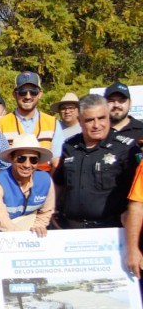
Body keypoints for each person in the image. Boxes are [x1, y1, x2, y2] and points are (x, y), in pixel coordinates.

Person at [52, 94, 139, 230]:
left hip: (111, 230)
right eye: (90, 120)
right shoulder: (69, 146)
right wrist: (52, 210)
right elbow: (58, 183)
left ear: (108, 117)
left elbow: (138, 192)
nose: (96, 125)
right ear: (80, 121)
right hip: (71, 229)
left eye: (101, 118)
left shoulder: (126, 148)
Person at [0, 134, 55, 236]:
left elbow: (46, 211)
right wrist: (21, 236)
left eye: (33, 160)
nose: (27, 165)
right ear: (11, 158)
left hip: (30, 235)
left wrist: (38, 226)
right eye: (21, 158)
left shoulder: (45, 180)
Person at [0, 71, 63, 173]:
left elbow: (56, 163)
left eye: (33, 92)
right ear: (14, 94)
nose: (28, 96)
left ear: (40, 94)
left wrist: (49, 182)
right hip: (10, 180)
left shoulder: (53, 123)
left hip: (43, 180)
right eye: (22, 92)